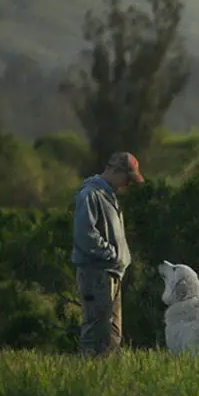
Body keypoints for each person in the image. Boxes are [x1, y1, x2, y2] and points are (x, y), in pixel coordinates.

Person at [71, 151, 145, 355]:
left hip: (111, 273)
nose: (128, 183)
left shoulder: (109, 194)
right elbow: (85, 234)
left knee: (112, 331)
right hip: (96, 272)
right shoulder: (90, 194)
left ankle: (108, 374)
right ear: (114, 171)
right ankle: (87, 374)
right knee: (96, 328)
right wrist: (111, 253)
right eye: (127, 178)